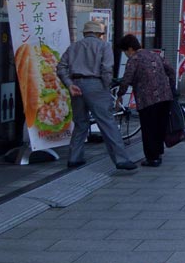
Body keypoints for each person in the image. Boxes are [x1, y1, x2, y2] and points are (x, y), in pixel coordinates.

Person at [57, 20, 136, 171]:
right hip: (96, 85)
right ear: (100, 35)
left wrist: (69, 84)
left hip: (76, 85)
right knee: (107, 123)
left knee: (80, 123)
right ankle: (121, 160)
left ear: (85, 33)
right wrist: (106, 86)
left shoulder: (73, 47)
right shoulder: (104, 46)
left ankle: (74, 158)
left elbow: (61, 67)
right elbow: (106, 69)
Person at [116, 34, 177, 167]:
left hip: (147, 99)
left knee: (149, 128)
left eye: (125, 51)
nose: (126, 54)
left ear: (130, 48)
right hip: (165, 96)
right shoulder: (155, 55)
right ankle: (159, 152)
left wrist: (120, 94)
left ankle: (152, 157)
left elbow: (126, 79)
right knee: (160, 126)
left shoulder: (134, 59)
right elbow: (171, 70)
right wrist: (171, 87)